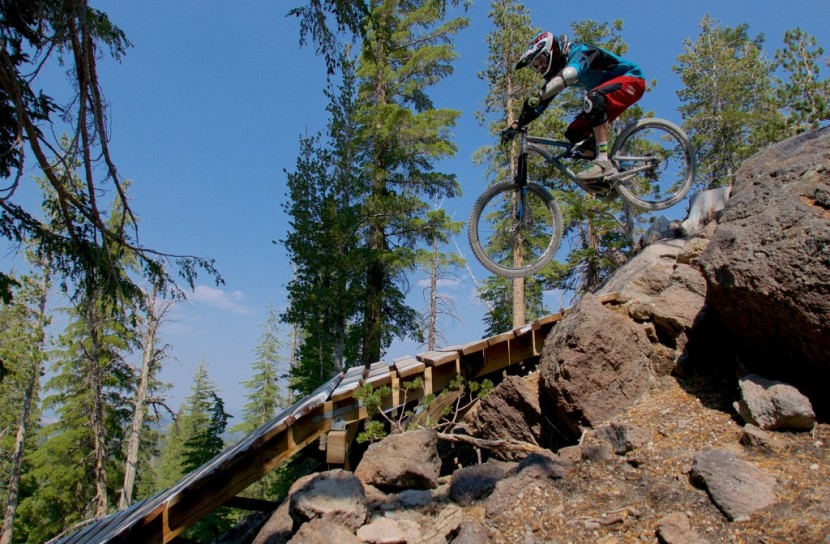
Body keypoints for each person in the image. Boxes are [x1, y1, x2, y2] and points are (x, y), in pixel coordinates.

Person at [510, 31, 646, 182]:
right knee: (574, 133)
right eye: (536, 66)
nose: (540, 68)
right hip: (607, 97)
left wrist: (539, 96)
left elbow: (569, 75)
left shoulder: (579, 51)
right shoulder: (560, 69)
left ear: (552, 51)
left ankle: (602, 162)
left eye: (540, 61)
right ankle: (608, 180)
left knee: (592, 99)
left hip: (632, 80)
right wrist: (516, 124)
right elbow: (540, 104)